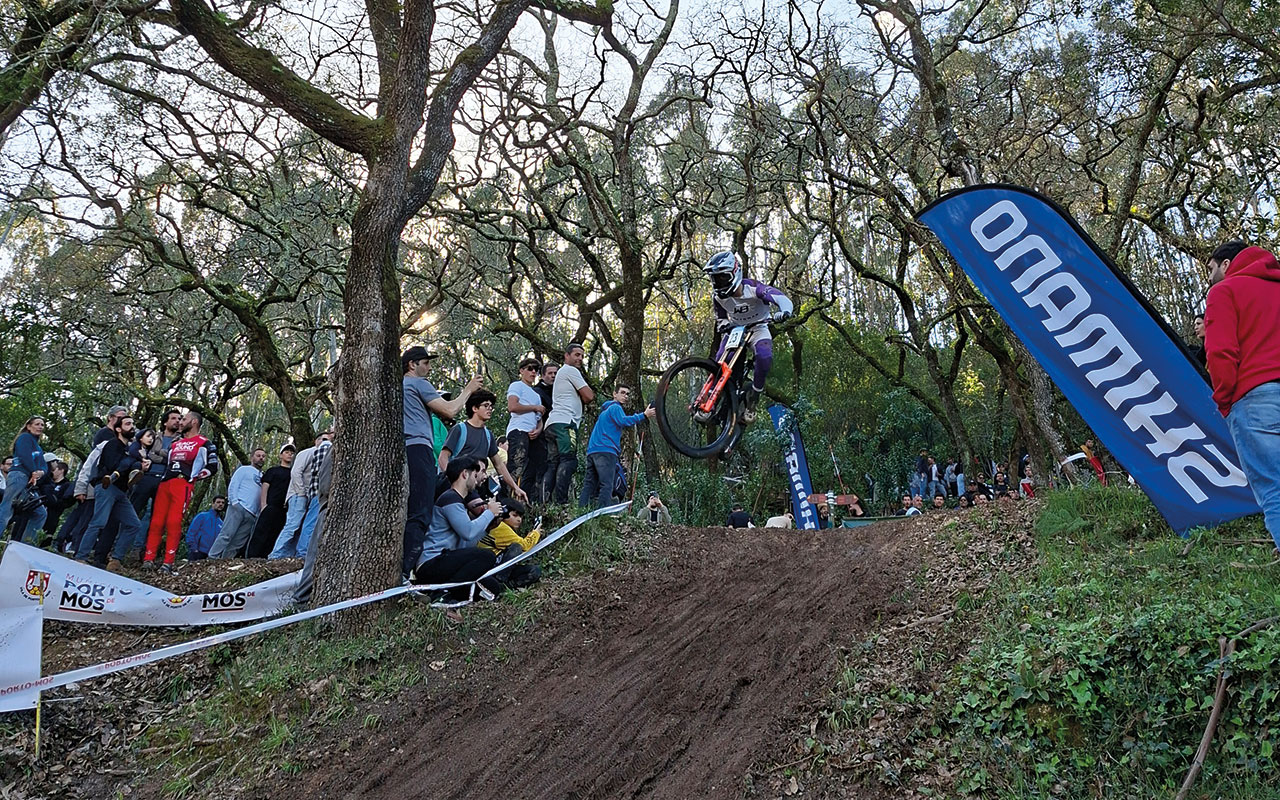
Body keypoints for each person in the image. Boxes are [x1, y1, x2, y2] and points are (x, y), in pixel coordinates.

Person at [1205, 240, 1280, 548]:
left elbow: (1220, 351)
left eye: (1210, 269)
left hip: (1255, 397)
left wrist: (1225, 398)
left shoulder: (1224, 291)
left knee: (1274, 488)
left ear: (1226, 264)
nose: (1209, 277)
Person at [401, 345, 482, 577]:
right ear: (412, 364)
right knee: (420, 512)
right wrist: (468, 389)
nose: (429, 367)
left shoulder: (401, 388)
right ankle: (406, 574)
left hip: (407, 451)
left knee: (442, 486)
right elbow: (450, 410)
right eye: (425, 362)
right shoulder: (417, 383)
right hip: (419, 449)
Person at [702, 250, 794, 421]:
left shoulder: (753, 288)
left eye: (723, 277)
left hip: (758, 327)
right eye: (715, 278)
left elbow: (781, 298)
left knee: (765, 356)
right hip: (735, 329)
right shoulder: (718, 297)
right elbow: (720, 318)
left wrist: (785, 311)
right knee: (720, 361)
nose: (718, 282)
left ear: (734, 272)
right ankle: (709, 399)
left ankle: (753, 398)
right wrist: (725, 326)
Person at [411, 459, 505, 596]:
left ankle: (450, 592)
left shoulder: (458, 501)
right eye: (474, 475)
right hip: (431, 563)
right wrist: (490, 513)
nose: (476, 481)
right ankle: (446, 594)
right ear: (465, 474)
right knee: (487, 556)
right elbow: (468, 532)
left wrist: (488, 528)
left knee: (492, 587)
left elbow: (465, 544)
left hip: (446, 560)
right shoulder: (450, 499)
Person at [143, 410, 218, 571]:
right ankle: (148, 558)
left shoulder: (205, 443)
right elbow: (168, 462)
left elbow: (213, 466)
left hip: (182, 484)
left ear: (194, 422)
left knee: (174, 522)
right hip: (165, 484)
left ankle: (168, 562)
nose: (181, 422)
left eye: (184, 419)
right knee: (156, 522)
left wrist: (195, 477)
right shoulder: (174, 444)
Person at [75, 415, 147, 564]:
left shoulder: (131, 450)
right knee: (98, 522)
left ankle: (116, 559)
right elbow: (109, 464)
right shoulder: (112, 444)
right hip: (106, 487)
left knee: (134, 524)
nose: (132, 426)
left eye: (133, 424)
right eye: (128, 424)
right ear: (119, 429)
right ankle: (81, 556)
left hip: (121, 492)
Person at [439, 390, 528, 502]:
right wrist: (454, 481)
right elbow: (443, 457)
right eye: (486, 405)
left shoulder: (488, 435)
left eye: (491, 406)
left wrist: (515, 488)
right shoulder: (460, 429)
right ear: (474, 408)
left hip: (477, 488)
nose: (490, 409)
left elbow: (499, 465)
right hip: (456, 489)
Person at [579, 384, 654, 509]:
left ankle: (581, 511)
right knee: (607, 484)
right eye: (622, 393)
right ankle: (603, 514)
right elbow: (624, 421)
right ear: (615, 394)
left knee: (589, 484)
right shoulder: (615, 408)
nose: (625, 396)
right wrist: (644, 415)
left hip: (593, 451)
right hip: (606, 451)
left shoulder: (604, 412)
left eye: (627, 394)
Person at [543, 343, 595, 504]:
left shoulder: (562, 374)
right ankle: (561, 502)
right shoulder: (571, 371)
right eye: (576, 355)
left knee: (554, 463)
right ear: (567, 355)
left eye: (582, 356)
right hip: (565, 423)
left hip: (552, 423)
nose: (580, 358)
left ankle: (544, 502)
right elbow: (589, 396)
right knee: (569, 460)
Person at [270, 433, 330, 559]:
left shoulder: (322, 454)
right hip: (298, 494)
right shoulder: (308, 452)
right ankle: (276, 554)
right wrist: (302, 492)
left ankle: (287, 555)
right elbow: (296, 472)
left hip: (308, 495)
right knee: (292, 524)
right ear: (316, 441)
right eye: (323, 439)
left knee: (300, 527)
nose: (325, 442)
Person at [208, 447, 266, 558]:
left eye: (263, 456)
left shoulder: (263, 476)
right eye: (258, 456)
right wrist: (234, 502)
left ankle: (226, 561)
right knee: (227, 534)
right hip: (239, 507)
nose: (261, 458)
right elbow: (233, 485)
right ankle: (212, 557)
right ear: (252, 457)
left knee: (238, 542)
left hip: (252, 513)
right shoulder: (244, 469)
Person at [476, 498, 542, 589]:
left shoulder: (501, 526)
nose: (519, 520)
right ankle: (500, 581)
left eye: (520, 517)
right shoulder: (501, 527)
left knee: (534, 570)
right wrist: (536, 532)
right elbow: (525, 545)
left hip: (496, 565)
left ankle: (506, 586)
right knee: (516, 547)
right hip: (490, 568)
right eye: (515, 515)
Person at [505, 358, 546, 500]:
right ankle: (506, 501)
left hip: (532, 434)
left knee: (533, 470)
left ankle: (526, 504)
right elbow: (512, 407)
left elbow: (539, 420)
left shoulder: (536, 395)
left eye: (536, 369)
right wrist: (534, 407)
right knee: (516, 467)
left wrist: (539, 430)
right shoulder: (517, 386)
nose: (533, 372)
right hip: (518, 430)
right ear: (521, 370)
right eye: (530, 368)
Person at [0, 417, 48, 538]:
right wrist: (34, 471)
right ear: (28, 426)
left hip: (30, 481)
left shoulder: (38, 447)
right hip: (19, 475)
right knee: (6, 509)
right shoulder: (24, 438)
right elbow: (24, 456)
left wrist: (40, 472)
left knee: (40, 513)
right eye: (37, 424)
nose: (40, 427)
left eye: (42, 425)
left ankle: (26, 546)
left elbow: (44, 465)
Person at [248, 445, 295, 558]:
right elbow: (265, 487)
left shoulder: (294, 473)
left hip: (284, 509)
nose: (289, 454)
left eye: (291, 453)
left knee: (276, 533)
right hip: (271, 506)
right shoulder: (273, 471)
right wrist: (264, 505)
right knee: (261, 532)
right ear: (280, 455)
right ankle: (252, 556)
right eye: (286, 452)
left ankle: (267, 556)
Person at [532, 362, 557, 502]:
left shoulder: (559, 391)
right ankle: (537, 501)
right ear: (542, 375)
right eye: (550, 373)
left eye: (555, 373)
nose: (553, 376)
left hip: (554, 436)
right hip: (539, 436)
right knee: (539, 469)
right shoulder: (537, 392)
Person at [185, 496, 227, 560]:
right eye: (218, 502)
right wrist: (194, 549)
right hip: (198, 552)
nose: (220, 504)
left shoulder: (221, 522)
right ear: (213, 504)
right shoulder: (202, 516)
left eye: (222, 503)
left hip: (211, 556)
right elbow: (191, 533)